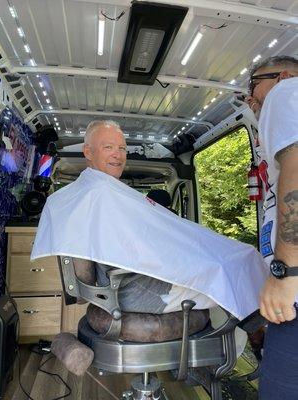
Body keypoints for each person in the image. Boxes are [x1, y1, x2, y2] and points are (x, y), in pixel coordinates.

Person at [31, 119, 267, 321]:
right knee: (236, 269)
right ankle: (255, 342)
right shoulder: (99, 194)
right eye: (108, 147)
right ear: (88, 152)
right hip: (136, 289)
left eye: (122, 148)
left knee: (234, 263)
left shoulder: (92, 192)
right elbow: (144, 247)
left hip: (130, 283)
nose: (118, 154)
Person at [246, 55, 298, 399]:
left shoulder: (287, 92)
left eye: (252, 85)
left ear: (282, 75)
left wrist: (285, 272)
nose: (249, 98)